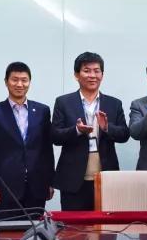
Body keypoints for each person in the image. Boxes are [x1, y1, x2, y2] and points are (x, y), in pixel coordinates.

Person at [51, 52, 130, 211]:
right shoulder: (63, 102)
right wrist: (76, 130)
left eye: (96, 71)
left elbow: (124, 135)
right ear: (76, 75)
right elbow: (55, 136)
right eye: (86, 71)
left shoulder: (114, 103)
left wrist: (106, 127)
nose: (92, 75)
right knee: (73, 225)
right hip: (73, 178)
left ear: (102, 75)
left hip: (106, 176)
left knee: (105, 225)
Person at [0, 62, 54, 220]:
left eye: (24, 80)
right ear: (6, 82)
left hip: (37, 186)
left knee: (36, 232)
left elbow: (47, 150)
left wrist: (50, 182)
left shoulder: (42, 111)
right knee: (8, 233)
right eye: (15, 80)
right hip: (5, 188)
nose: (19, 84)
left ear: (29, 82)